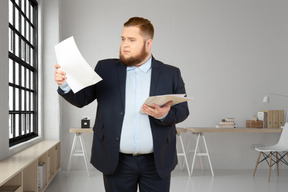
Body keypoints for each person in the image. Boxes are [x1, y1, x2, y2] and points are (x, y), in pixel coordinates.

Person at [55, 17, 189, 192]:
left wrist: (163, 114)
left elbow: (183, 110)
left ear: (148, 43)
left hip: (157, 162)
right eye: (123, 38)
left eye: (132, 40)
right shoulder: (105, 68)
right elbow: (82, 99)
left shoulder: (170, 73)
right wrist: (64, 84)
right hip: (116, 161)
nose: (125, 44)